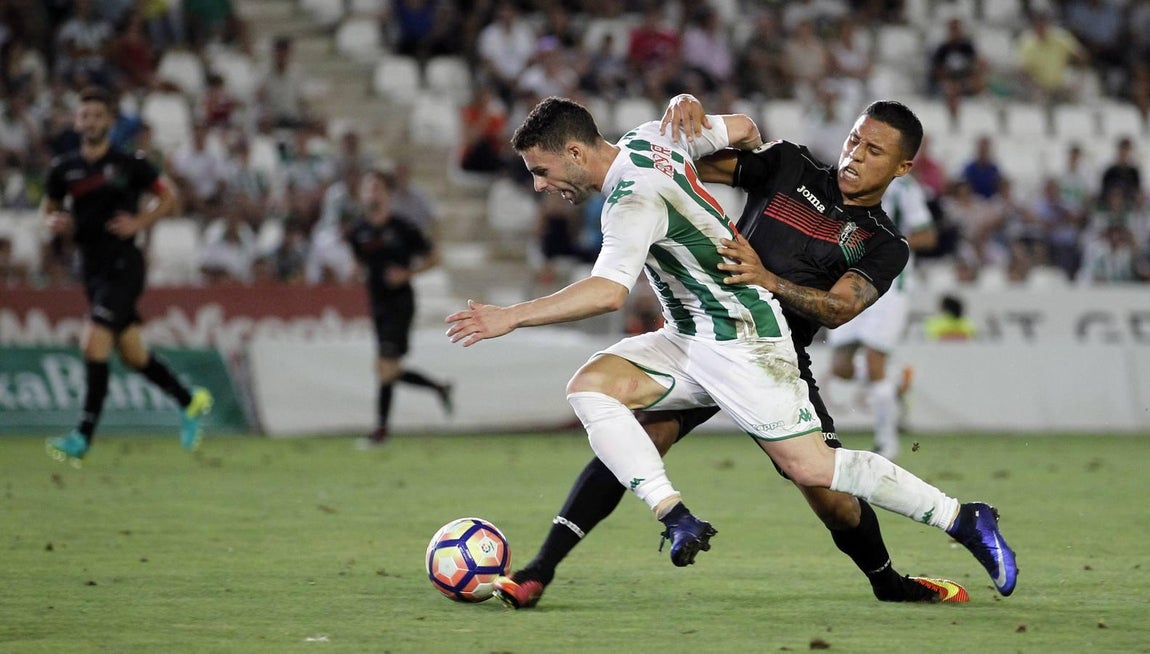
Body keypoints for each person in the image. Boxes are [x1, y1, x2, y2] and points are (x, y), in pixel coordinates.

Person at [446, 96, 1017, 605]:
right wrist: (688, 108)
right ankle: (547, 568)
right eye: (852, 140)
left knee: (823, 487)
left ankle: (909, 561)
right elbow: (727, 139)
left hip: (766, 347)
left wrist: (769, 280)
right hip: (698, 330)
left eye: (872, 150)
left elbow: (840, 308)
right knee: (622, 425)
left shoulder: (883, 242)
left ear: (902, 167)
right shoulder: (793, 167)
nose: (854, 156)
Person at [42, 87, 213, 463]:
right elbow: (49, 206)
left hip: (125, 265)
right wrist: (53, 220)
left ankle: (82, 437)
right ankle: (190, 401)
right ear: (77, 121)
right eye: (84, 115)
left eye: (97, 116)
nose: (90, 122)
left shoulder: (129, 163)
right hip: (92, 270)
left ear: (110, 122)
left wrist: (139, 221)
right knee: (134, 354)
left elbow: (167, 196)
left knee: (94, 342)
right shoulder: (64, 168)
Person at [826, 173, 937, 459]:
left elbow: (926, 236)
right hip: (849, 283)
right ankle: (894, 384)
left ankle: (887, 444)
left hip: (889, 286)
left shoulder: (904, 187)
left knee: (874, 360)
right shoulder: (841, 181)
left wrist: (884, 244)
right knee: (840, 367)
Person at [349, 169, 452, 449]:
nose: (372, 193)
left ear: (387, 194)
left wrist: (407, 274)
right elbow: (360, 262)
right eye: (368, 188)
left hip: (400, 304)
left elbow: (434, 258)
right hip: (377, 304)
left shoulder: (403, 228)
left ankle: (380, 431)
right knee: (388, 368)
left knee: (385, 366)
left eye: (377, 188)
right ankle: (439, 388)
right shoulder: (358, 231)